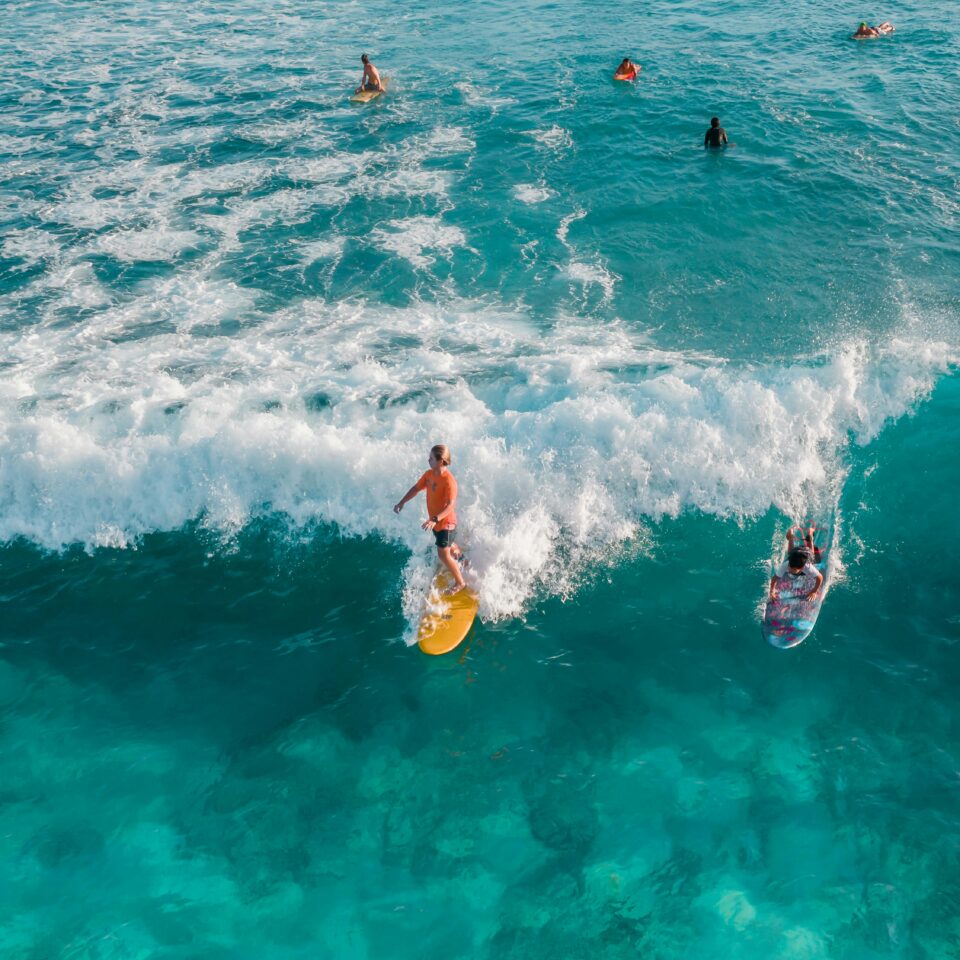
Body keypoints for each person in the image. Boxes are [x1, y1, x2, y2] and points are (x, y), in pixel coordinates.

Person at [394, 444, 467, 595]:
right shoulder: (429, 475)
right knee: (448, 545)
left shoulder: (449, 481)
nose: (428, 460)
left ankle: (461, 583)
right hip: (435, 522)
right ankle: (463, 559)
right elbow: (416, 488)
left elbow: (450, 506)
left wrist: (435, 519)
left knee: (442, 554)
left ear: (441, 461)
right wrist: (402, 502)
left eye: (432, 458)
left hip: (446, 523)